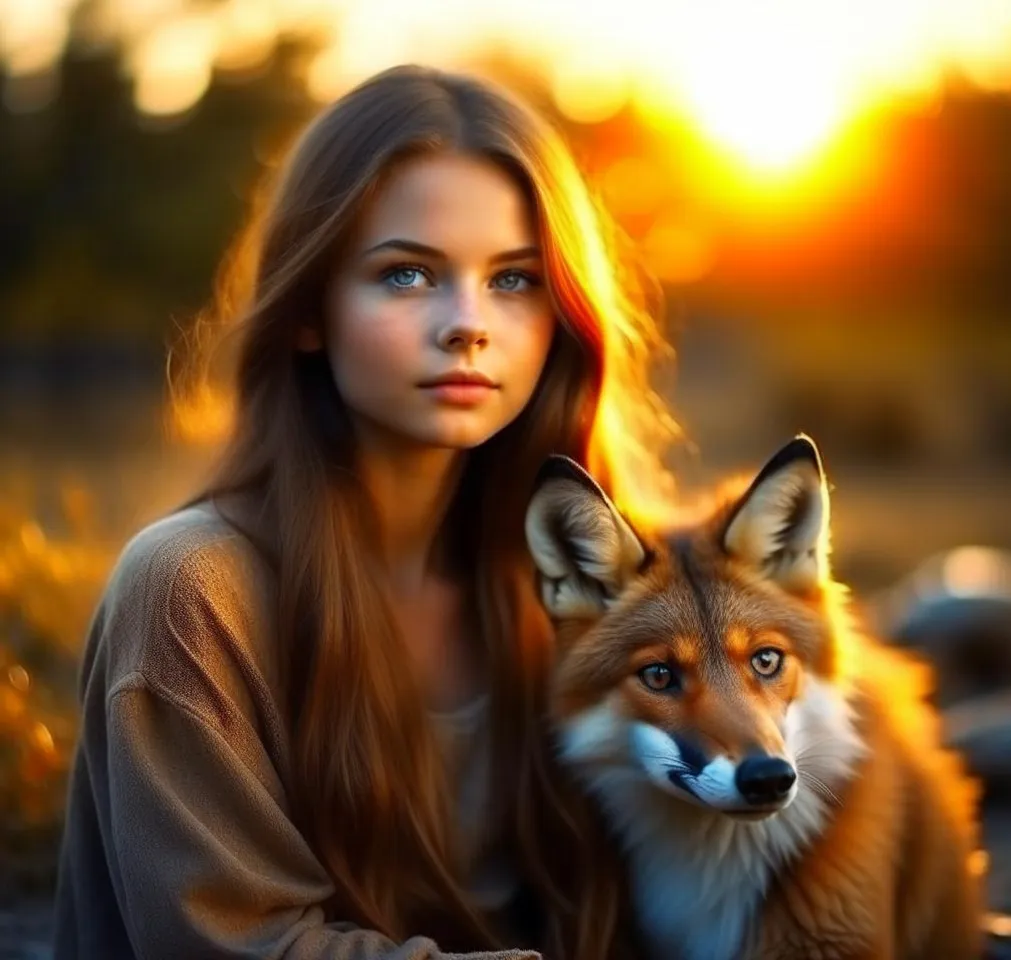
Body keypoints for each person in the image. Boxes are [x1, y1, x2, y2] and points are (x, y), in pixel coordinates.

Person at [51, 64, 680, 960]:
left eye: (513, 280)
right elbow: (236, 944)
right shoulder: (192, 593)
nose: (469, 324)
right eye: (408, 274)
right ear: (309, 309)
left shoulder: (597, 589)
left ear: (563, 315)